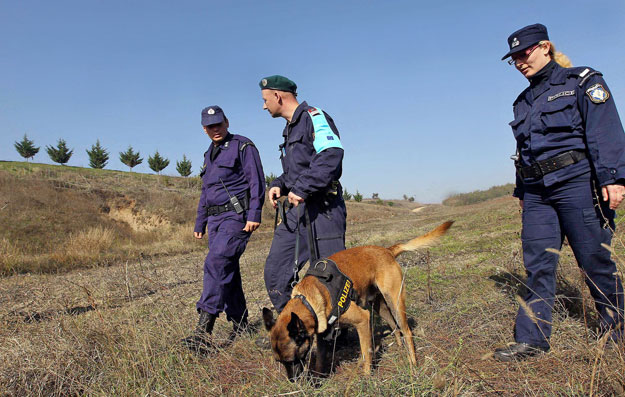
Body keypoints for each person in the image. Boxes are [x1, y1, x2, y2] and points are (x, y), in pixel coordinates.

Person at [495, 23, 625, 362]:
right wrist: (522, 190)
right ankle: (532, 339)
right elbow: (525, 149)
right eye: (514, 59)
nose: (520, 62)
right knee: (537, 264)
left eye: (524, 53)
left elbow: (605, 129)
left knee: (594, 260)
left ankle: (617, 330)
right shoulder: (522, 102)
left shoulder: (581, 81)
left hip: (578, 182)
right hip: (538, 193)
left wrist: (613, 178)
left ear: (545, 47)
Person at [259, 75, 347, 313]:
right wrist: (279, 184)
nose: (264, 105)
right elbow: (295, 172)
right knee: (276, 271)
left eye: (266, 100)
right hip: (299, 211)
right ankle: (295, 326)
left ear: (277, 96)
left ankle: (334, 334)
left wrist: (302, 188)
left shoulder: (314, 116)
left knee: (328, 274)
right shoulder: (289, 130)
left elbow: (331, 155)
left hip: (324, 209)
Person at [183, 105, 265, 353]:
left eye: (218, 124)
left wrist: (254, 214)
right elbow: (206, 192)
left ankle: (203, 331)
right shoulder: (209, 153)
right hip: (216, 221)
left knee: (217, 263)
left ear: (227, 123)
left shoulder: (243, 146)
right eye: (210, 126)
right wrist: (200, 222)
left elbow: (256, 181)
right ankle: (241, 324)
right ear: (204, 129)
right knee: (228, 270)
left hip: (236, 217)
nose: (215, 129)